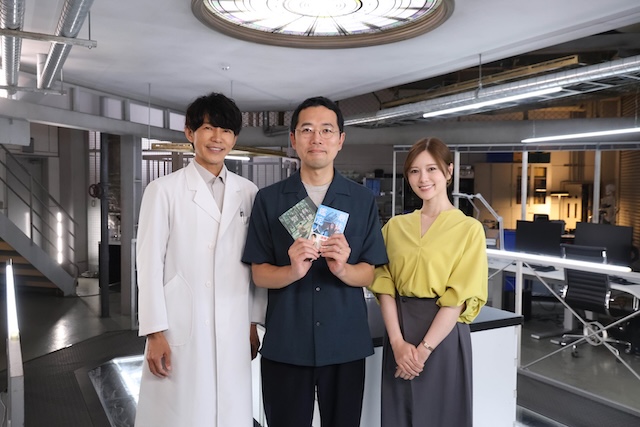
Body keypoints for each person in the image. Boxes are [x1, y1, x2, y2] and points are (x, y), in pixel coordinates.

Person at [242, 96, 388, 427]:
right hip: (286, 344)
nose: (316, 138)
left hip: (345, 344)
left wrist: (343, 269)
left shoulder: (362, 201)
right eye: (307, 130)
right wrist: (292, 270)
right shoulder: (269, 200)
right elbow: (260, 274)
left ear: (340, 140)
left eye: (326, 130)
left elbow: (369, 273)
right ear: (293, 139)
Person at [135, 92, 266, 427]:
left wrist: (253, 322)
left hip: (234, 322)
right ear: (190, 132)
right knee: (183, 412)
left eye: (226, 130)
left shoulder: (248, 192)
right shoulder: (163, 190)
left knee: (230, 409)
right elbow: (148, 265)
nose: (217, 138)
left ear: (234, 138)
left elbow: (255, 264)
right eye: (208, 128)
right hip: (181, 324)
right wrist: (154, 332)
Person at [369, 137, 488, 427]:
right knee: (399, 416)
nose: (423, 178)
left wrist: (422, 351)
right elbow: (384, 286)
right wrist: (397, 343)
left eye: (431, 169)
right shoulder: (395, 227)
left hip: (442, 337)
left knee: (442, 417)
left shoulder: (469, 229)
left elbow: (458, 299)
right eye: (414, 171)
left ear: (449, 171)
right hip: (399, 331)